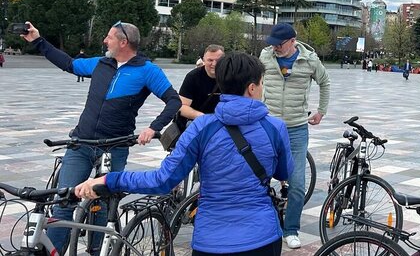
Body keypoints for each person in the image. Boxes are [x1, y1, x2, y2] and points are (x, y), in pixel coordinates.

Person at [75, 52, 293, 256]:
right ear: (252, 88)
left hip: (211, 240)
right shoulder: (275, 127)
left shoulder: (202, 127)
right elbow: (284, 172)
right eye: (262, 83)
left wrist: (111, 179)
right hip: (262, 236)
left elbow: (162, 180)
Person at [20, 21, 181, 254]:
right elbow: (68, 63)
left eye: (109, 37)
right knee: (64, 202)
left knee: (103, 207)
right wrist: (37, 40)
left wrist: (153, 127)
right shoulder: (100, 63)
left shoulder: (147, 70)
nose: (105, 41)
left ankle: (98, 252)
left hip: (114, 147)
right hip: (81, 143)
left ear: (123, 42)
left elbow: (173, 100)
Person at [259, 23, 330, 249]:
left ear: (293, 41)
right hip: (267, 125)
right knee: (258, 177)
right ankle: (262, 226)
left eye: (279, 44)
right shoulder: (265, 56)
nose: (275, 48)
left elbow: (325, 82)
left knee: (297, 184)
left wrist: (321, 111)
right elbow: (251, 79)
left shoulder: (310, 60)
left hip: (297, 128)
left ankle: (291, 229)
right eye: (273, 44)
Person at [178, 45, 226, 129]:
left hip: (222, 122)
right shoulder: (193, 77)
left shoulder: (230, 77)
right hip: (196, 121)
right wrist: (203, 117)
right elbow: (181, 107)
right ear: (203, 60)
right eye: (210, 60)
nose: (214, 64)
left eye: (218, 60)